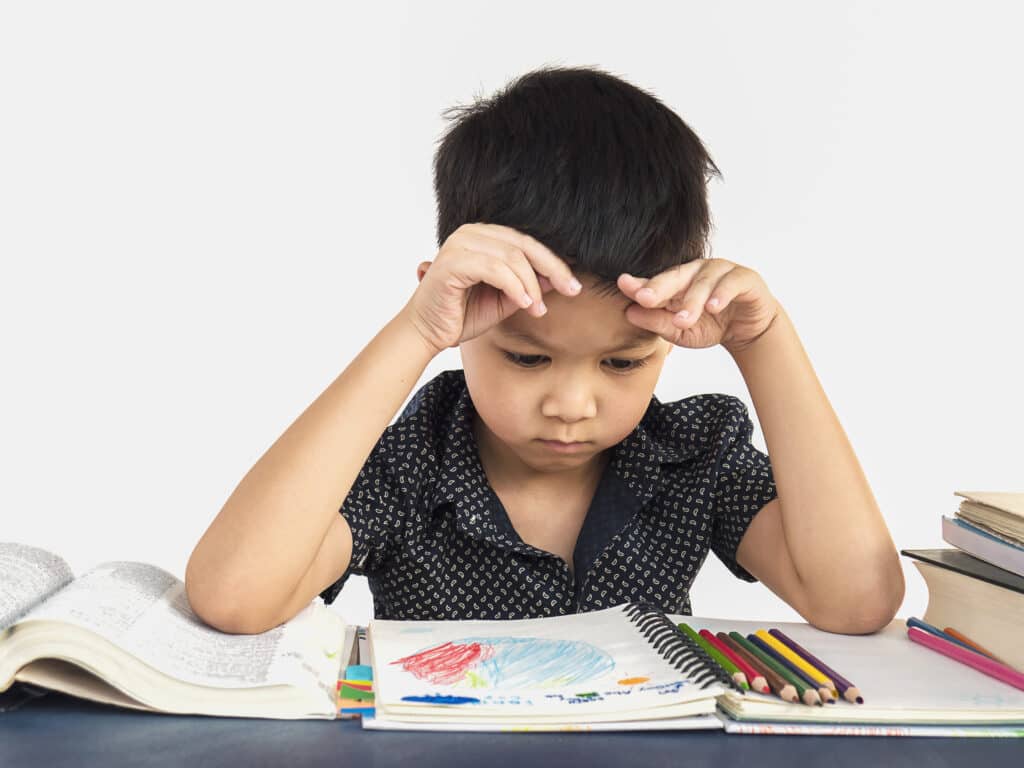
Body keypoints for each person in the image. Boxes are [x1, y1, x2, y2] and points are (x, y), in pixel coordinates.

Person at [185, 65, 904, 635]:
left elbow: (855, 600)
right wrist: (415, 330)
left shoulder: (693, 459)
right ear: (462, 314)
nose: (570, 405)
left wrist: (765, 341)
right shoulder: (410, 467)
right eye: (527, 358)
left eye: (623, 363)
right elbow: (234, 598)